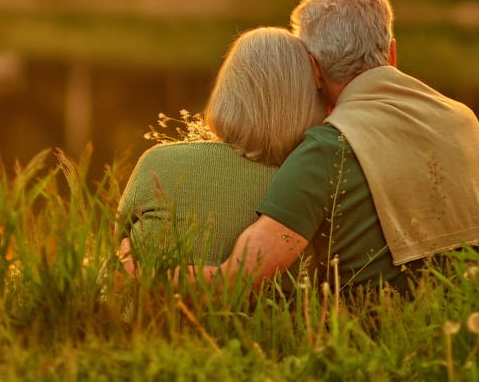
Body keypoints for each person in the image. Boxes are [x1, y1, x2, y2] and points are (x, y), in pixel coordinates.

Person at [203, 0, 479, 292]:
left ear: (313, 68)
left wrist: (165, 274)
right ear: (391, 52)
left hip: (379, 331)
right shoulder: (462, 117)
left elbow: (238, 279)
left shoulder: (328, 147)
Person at [117, 27, 325, 274]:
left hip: (147, 311)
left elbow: (119, 244)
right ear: (307, 99)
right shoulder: (308, 184)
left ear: (227, 89)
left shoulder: (157, 162)